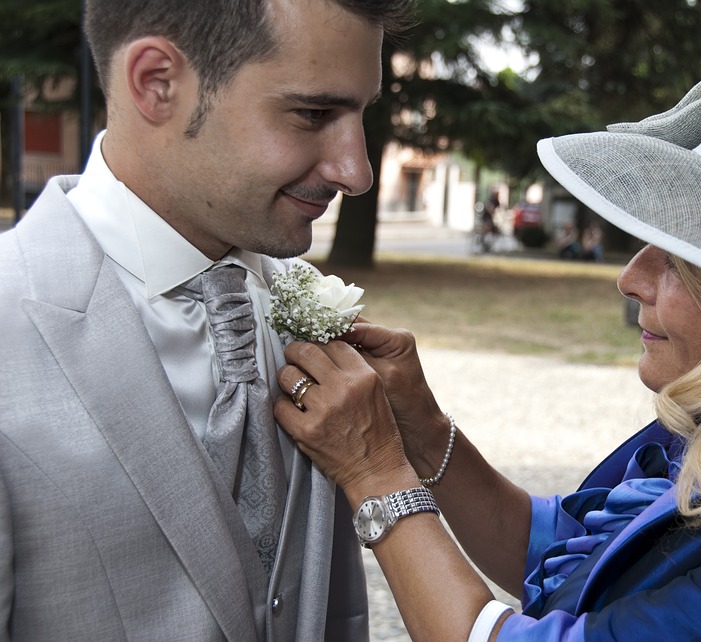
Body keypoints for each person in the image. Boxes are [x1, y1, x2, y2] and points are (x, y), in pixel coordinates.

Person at [274, 74, 701, 640]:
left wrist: (376, 473)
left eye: (679, 259)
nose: (630, 279)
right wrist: (419, 429)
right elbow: (550, 552)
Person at [0, 0, 413, 639]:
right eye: (312, 113)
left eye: (363, 114)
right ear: (157, 83)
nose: (354, 172)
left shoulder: (297, 308)